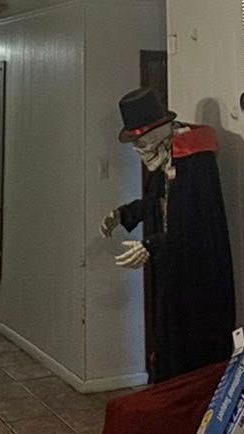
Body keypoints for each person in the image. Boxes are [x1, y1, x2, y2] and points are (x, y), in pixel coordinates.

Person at [101, 87, 236, 383]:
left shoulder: (194, 160)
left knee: (190, 348)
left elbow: (195, 224)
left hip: (198, 276)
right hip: (177, 267)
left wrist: (151, 244)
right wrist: (126, 214)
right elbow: (160, 200)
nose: (139, 149)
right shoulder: (171, 156)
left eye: (141, 141)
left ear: (160, 132)